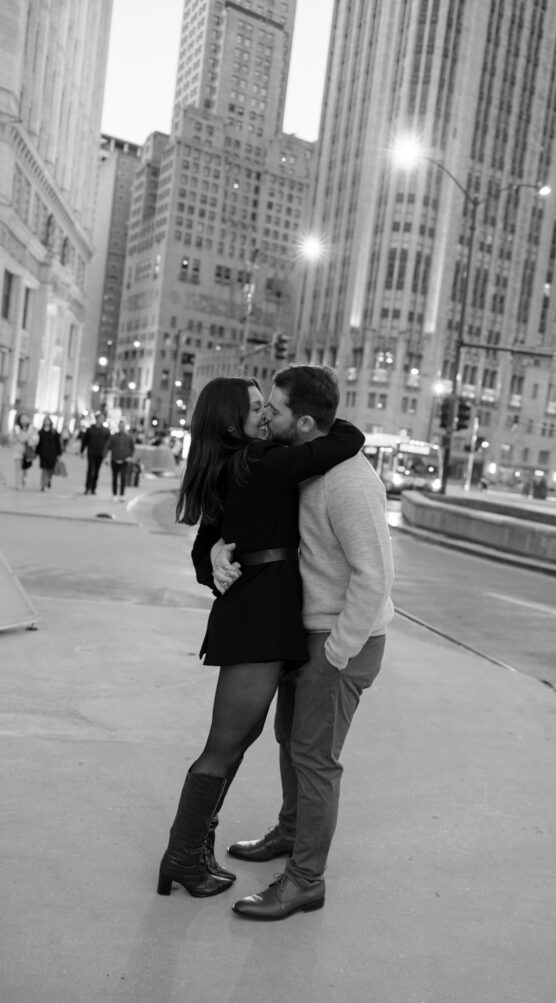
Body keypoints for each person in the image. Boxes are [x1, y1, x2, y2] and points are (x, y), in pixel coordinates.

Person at [157, 376, 364, 900]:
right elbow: (346, 440)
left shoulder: (233, 464)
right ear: (231, 422)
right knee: (225, 744)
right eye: (256, 408)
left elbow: (202, 548)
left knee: (239, 739)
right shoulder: (260, 461)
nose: (266, 415)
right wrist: (324, 416)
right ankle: (182, 856)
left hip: (254, 612)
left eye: (267, 406)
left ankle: (192, 852)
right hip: (258, 617)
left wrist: (215, 562)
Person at [207, 365, 394, 920]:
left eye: (276, 408)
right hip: (305, 633)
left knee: (315, 759)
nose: (266, 415)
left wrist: (335, 654)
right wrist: (217, 549)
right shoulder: (306, 464)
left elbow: (375, 576)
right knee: (291, 741)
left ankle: (305, 881)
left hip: (342, 641)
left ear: (305, 422)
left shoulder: (350, 483)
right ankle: (290, 832)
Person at [80, 413, 111, 495]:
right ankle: (87, 487)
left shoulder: (106, 431)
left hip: (100, 453)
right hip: (91, 452)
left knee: (97, 471)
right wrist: (82, 451)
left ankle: (93, 488)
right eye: (100, 418)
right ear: (96, 419)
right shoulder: (90, 429)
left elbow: (108, 444)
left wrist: (106, 455)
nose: (101, 420)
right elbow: (84, 441)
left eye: (102, 419)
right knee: (90, 470)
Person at [106, 419, 135, 501]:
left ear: (124, 427)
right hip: (114, 460)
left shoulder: (129, 437)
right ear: (118, 427)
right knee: (114, 478)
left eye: (123, 426)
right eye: (120, 426)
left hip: (124, 461)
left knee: (123, 477)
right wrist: (107, 458)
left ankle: (122, 494)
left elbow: (132, 448)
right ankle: (114, 494)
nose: (121, 428)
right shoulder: (113, 436)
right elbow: (108, 447)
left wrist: (130, 456)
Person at [10, 413, 39, 489]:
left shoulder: (32, 429)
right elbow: (11, 439)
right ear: (19, 420)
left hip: (27, 452)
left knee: (25, 468)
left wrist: (28, 439)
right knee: (18, 468)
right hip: (17, 451)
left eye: (25, 418)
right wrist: (17, 437)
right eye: (22, 418)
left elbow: (36, 440)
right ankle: (18, 484)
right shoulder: (16, 428)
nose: (24, 420)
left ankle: (22, 479)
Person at [35, 416, 63, 491]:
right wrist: (36, 453)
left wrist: (59, 454)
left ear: (50, 422)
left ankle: (48, 480)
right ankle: (43, 485)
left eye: (48, 420)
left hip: (52, 453)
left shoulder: (54, 432)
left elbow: (58, 444)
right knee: (44, 469)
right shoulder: (40, 432)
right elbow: (38, 444)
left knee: (50, 469)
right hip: (43, 453)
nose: (46, 422)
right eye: (45, 420)